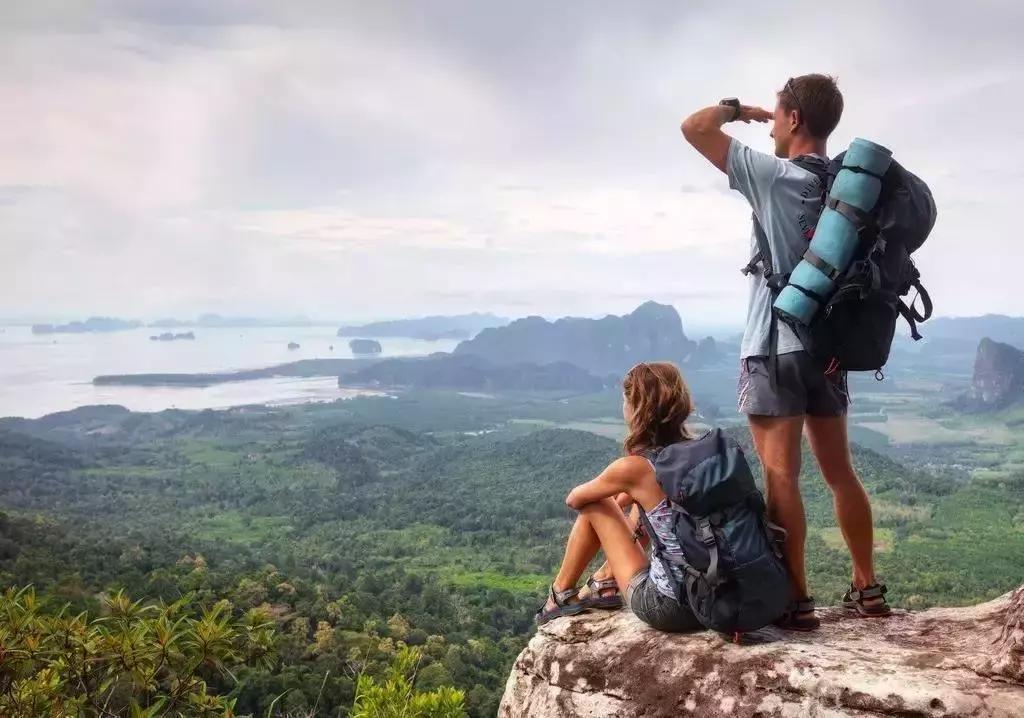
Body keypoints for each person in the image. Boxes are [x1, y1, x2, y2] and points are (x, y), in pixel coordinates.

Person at [680, 74, 890, 630]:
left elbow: (693, 127)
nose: (769, 124)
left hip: (774, 347)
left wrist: (738, 109)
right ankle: (867, 588)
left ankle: (797, 600)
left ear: (794, 120)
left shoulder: (773, 176)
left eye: (776, 115)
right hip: (830, 350)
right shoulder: (848, 189)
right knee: (840, 472)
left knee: (782, 478)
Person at [534, 362, 701, 632]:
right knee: (645, 504)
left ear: (637, 408)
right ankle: (605, 580)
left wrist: (620, 490)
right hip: (713, 598)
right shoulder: (698, 452)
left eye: (625, 401)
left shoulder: (635, 468)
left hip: (671, 607)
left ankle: (560, 593)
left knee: (596, 501)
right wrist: (630, 495)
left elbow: (576, 499)